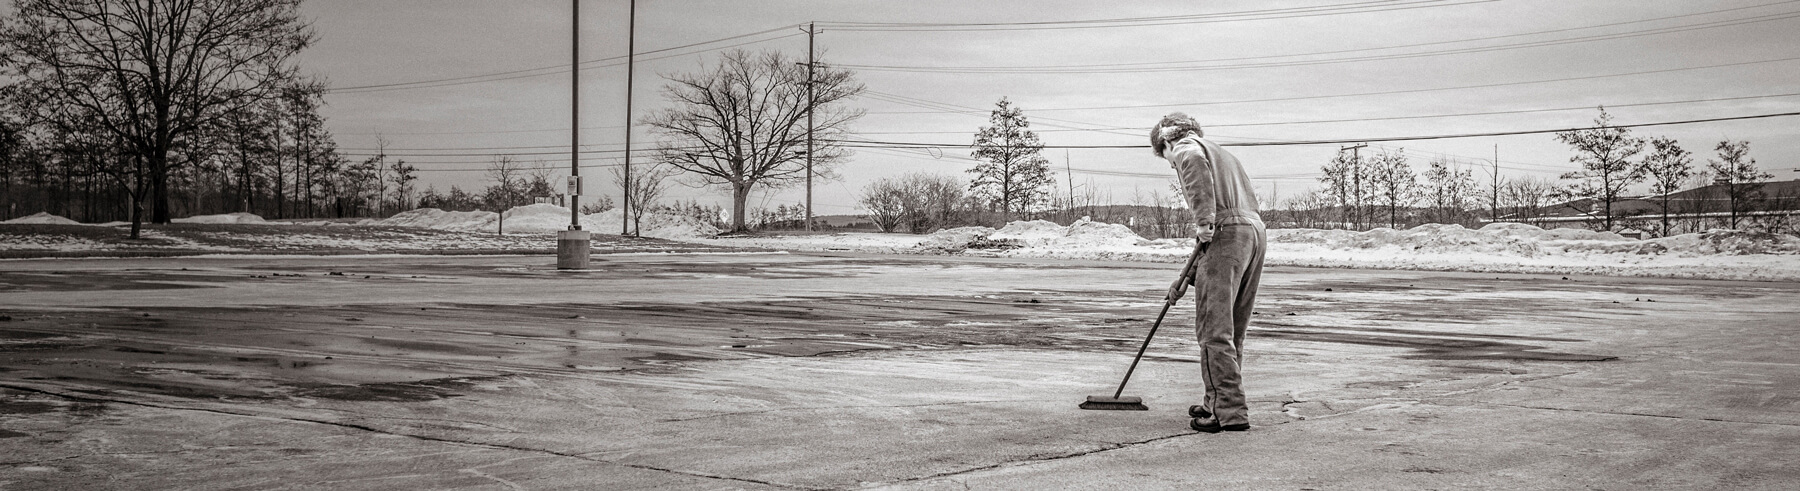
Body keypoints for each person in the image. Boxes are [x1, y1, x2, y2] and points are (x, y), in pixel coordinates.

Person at [1151, 112, 1266, 433]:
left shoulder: (1186, 147)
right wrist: (1185, 280)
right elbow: (1217, 237)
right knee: (1231, 328)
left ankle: (1228, 412)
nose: (1173, 165)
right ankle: (1217, 399)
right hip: (1252, 233)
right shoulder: (1222, 153)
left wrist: (1203, 220)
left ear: (1167, 141)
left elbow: (1210, 214)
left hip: (1228, 233)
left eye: (1167, 160)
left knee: (1213, 329)